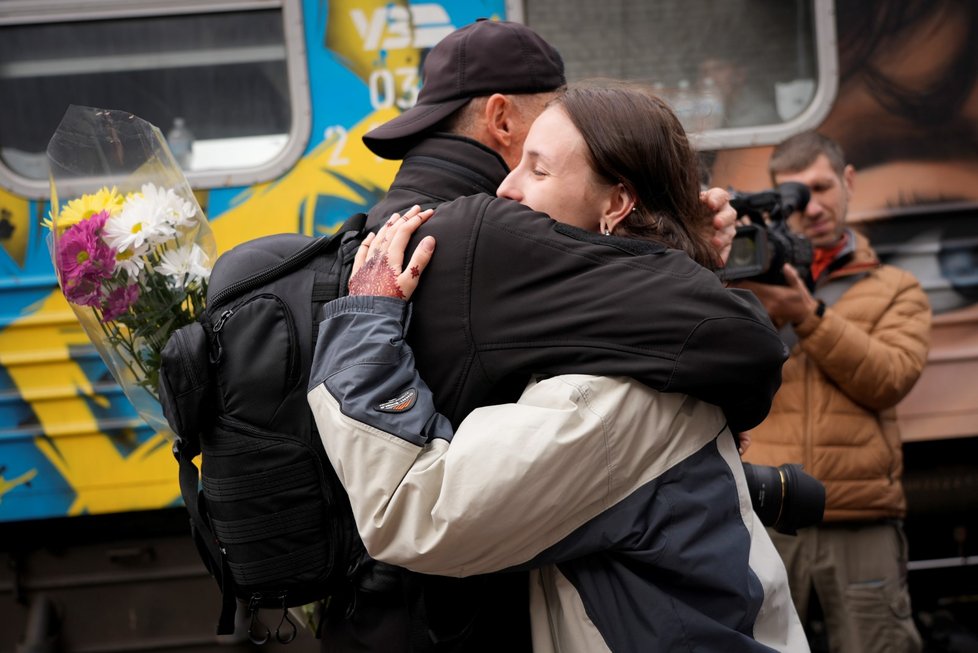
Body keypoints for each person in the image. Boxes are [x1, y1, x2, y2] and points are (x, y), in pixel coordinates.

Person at [324, 19, 788, 653]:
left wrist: (364, 319)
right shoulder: (639, 337)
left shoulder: (608, 402)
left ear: (617, 204)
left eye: (536, 172)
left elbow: (410, 510)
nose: (505, 187)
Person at [735, 131, 930, 653]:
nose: (813, 207)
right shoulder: (745, 290)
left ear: (848, 182)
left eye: (822, 188)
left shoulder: (896, 287)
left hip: (860, 518)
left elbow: (889, 377)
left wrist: (808, 315)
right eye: (797, 195)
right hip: (768, 512)